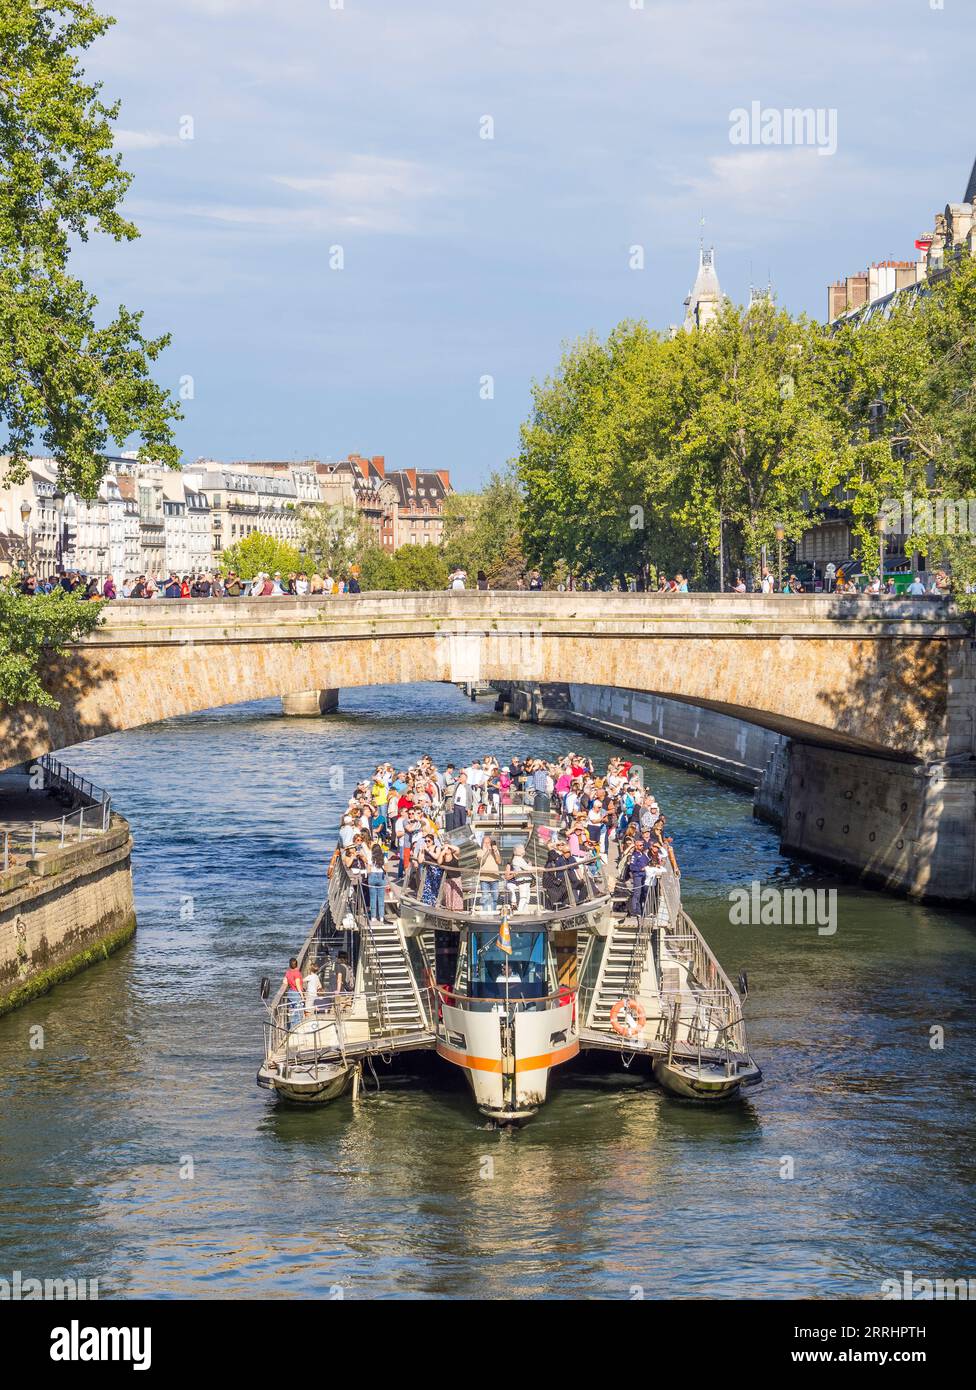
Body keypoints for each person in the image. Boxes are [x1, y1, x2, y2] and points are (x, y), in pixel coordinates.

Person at [477, 834, 501, 913]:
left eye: (488, 843)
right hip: (484, 879)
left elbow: (499, 861)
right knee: (485, 897)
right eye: (485, 842)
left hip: (495, 878)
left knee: (495, 897)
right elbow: (481, 862)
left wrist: (495, 851)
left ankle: (493, 912)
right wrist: (488, 851)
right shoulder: (479, 851)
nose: (487, 844)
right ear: (482, 843)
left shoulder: (495, 852)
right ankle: (485, 913)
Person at [367, 843, 387, 922]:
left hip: (372, 876)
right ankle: (381, 917)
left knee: (373, 898)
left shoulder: (370, 858)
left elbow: (368, 870)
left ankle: (373, 917)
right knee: (381, 898)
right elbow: (386, 869)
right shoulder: (384, 858)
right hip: (381, 877)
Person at [283, 956, 304, 1030]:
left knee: (292, 1012)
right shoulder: (297, 973)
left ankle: (291, 1028)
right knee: (298, 1013)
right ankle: (296, 1028)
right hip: (296, 993)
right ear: (297, 965)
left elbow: (285, 981)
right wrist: (302, 996)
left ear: (289, 965)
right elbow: (298, 985)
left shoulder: (288, 972)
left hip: (290, 993)